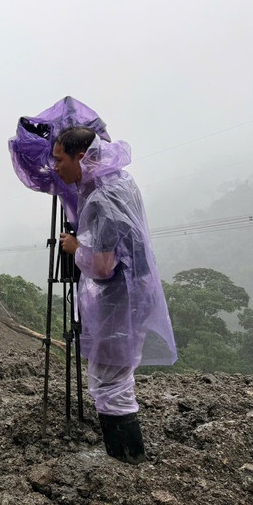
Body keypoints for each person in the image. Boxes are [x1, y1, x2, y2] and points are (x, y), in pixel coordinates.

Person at [52, 126, 177, 465]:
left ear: (81, 157)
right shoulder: (118, 180)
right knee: (117, 378)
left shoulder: (103, 197)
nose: (55, 167)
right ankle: (126, 456)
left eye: (59, 159)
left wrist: (76, 246)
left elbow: (104, 265)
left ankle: (126, 458)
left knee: (111, 382)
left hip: (118, 300)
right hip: (133, 293)